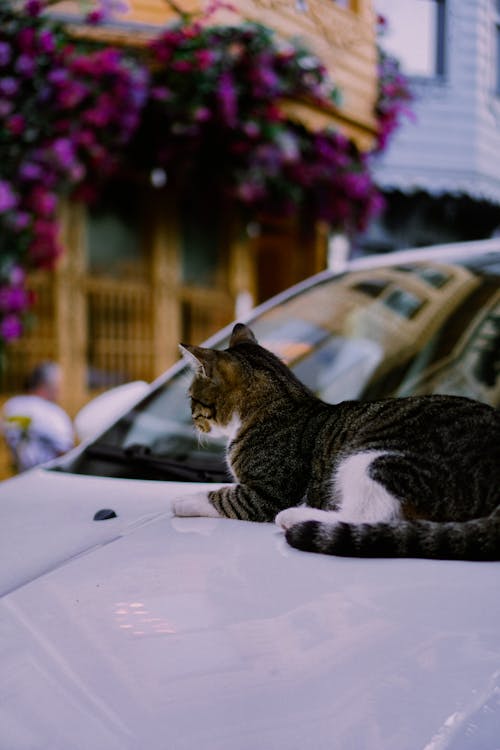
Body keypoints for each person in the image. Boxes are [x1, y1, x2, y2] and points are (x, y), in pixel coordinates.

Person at [2, 362, 75, 472]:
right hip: (50, 477)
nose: (61, 391)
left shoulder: (12, 405)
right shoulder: (54, 414)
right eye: (59, 385)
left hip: (19, 475)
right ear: (49, 386)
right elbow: (65, 451)